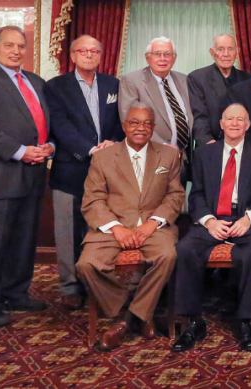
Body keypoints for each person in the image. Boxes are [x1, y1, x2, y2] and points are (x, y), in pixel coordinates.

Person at [77, 104, 185, 352]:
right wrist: (116, 228)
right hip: (112, 226)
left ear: (153, 128)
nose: (141, 128)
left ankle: (125, 321)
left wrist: (153, 222)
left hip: (153, 227)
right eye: (135, 123)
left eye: (147, 124)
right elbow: (92, 200)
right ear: (125, 125)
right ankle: (136, 312)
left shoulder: (167, 156)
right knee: (86, 265)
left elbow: (175, 196)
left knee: (168, 256)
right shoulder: (103, 157)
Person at [0, 25, 54, 328]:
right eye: (9, 45)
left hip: (32, 176)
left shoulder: (36, 81)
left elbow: (46, 123)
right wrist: (20, 150)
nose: (16, 51)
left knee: (23, 240)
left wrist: (50, 146)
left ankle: (16, 293)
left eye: (21, 46)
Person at [172, 104, 251, 352]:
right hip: (213, 217)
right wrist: (209, 221)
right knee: (185, 249)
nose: (235, 123)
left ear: (248, 125)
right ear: (221, 124)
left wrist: (249, 218)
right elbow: (197, 194)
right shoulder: (205, 154)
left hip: (245, 218)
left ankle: (247, 322)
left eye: (241, 119)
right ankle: (193, 322)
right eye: (230, 119)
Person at [44, 34, 124, 310]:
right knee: (67, 231)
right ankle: (69, 286)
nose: (89, 55)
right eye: (83, 50)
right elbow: (60, 126)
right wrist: (92, 150)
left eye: (94, 51)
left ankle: (96, 284)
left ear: (101, 56)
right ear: (73, 55)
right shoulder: (55, 87)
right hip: (70, 170)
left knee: (100, 228)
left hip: (107, 173)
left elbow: (119, 122)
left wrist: (110, 145)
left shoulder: (114, 85)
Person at [119, 37, 193, 154]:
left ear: (174, 58)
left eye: (167, 54)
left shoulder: (184, 79)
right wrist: (163, 145)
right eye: (157, 54)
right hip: (151, 153)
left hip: (186, 155)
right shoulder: (132, 81)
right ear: (147, 57)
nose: (162, 58)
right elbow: (130, 121)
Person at [187, 34, 251, 144]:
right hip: (210, 144)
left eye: (230, 49)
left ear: (237, 52)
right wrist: (208, 142)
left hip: (242, 146)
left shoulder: (247, 79)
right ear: (212, 53)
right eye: (221, 49)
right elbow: (199, 117)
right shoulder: (197, 78)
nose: (226, 54)